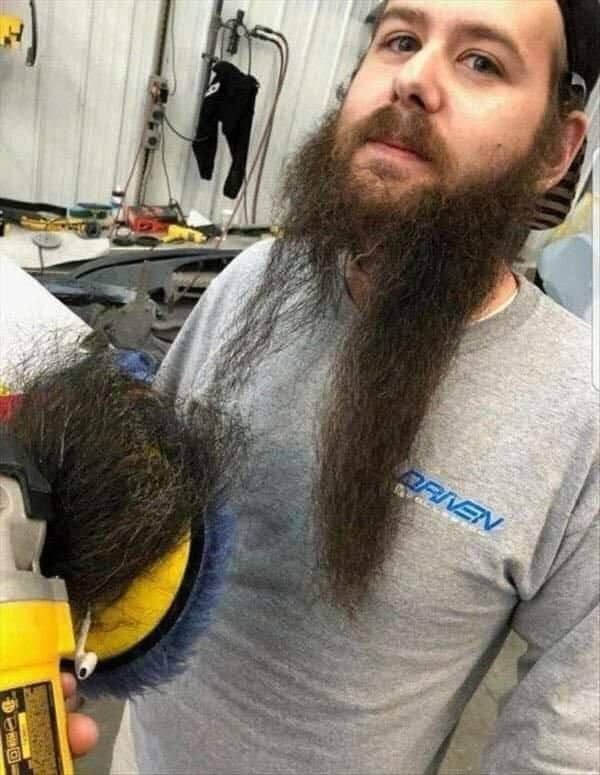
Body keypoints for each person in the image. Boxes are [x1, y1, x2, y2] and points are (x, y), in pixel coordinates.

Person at [109, 1, 598, 772]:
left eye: (482, 62)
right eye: (400, 39)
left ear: (555, 150)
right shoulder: (250, 281)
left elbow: (565, 739)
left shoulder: (579, 409)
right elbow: (142, 502)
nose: (413, 79)